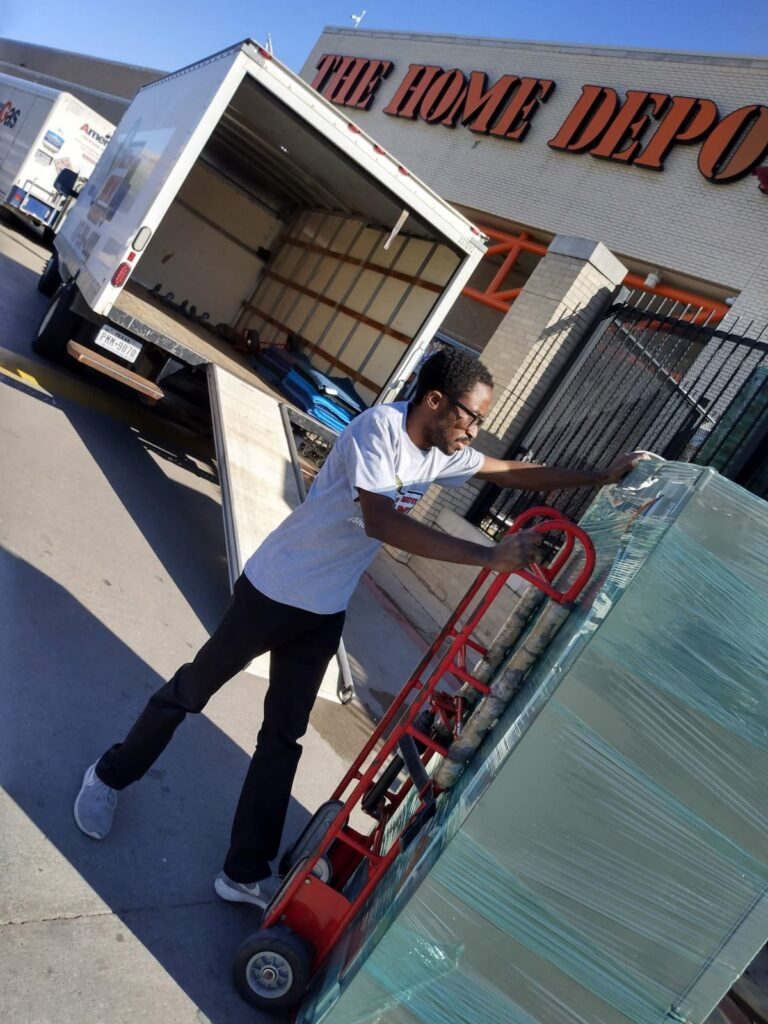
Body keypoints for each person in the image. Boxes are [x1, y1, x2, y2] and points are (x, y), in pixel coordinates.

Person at [74, 347, 642, 907]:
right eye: (472, 416)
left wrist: (598, 478)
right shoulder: (380, 432)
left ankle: (243, 872)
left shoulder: (442, 451)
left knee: (282, 739)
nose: (476, 430)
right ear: (436, 401)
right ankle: (108, 775)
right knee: (192, 691)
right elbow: (381, 522)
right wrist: (489, 556)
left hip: (322, 611)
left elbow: (516, 471)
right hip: (274, 589)